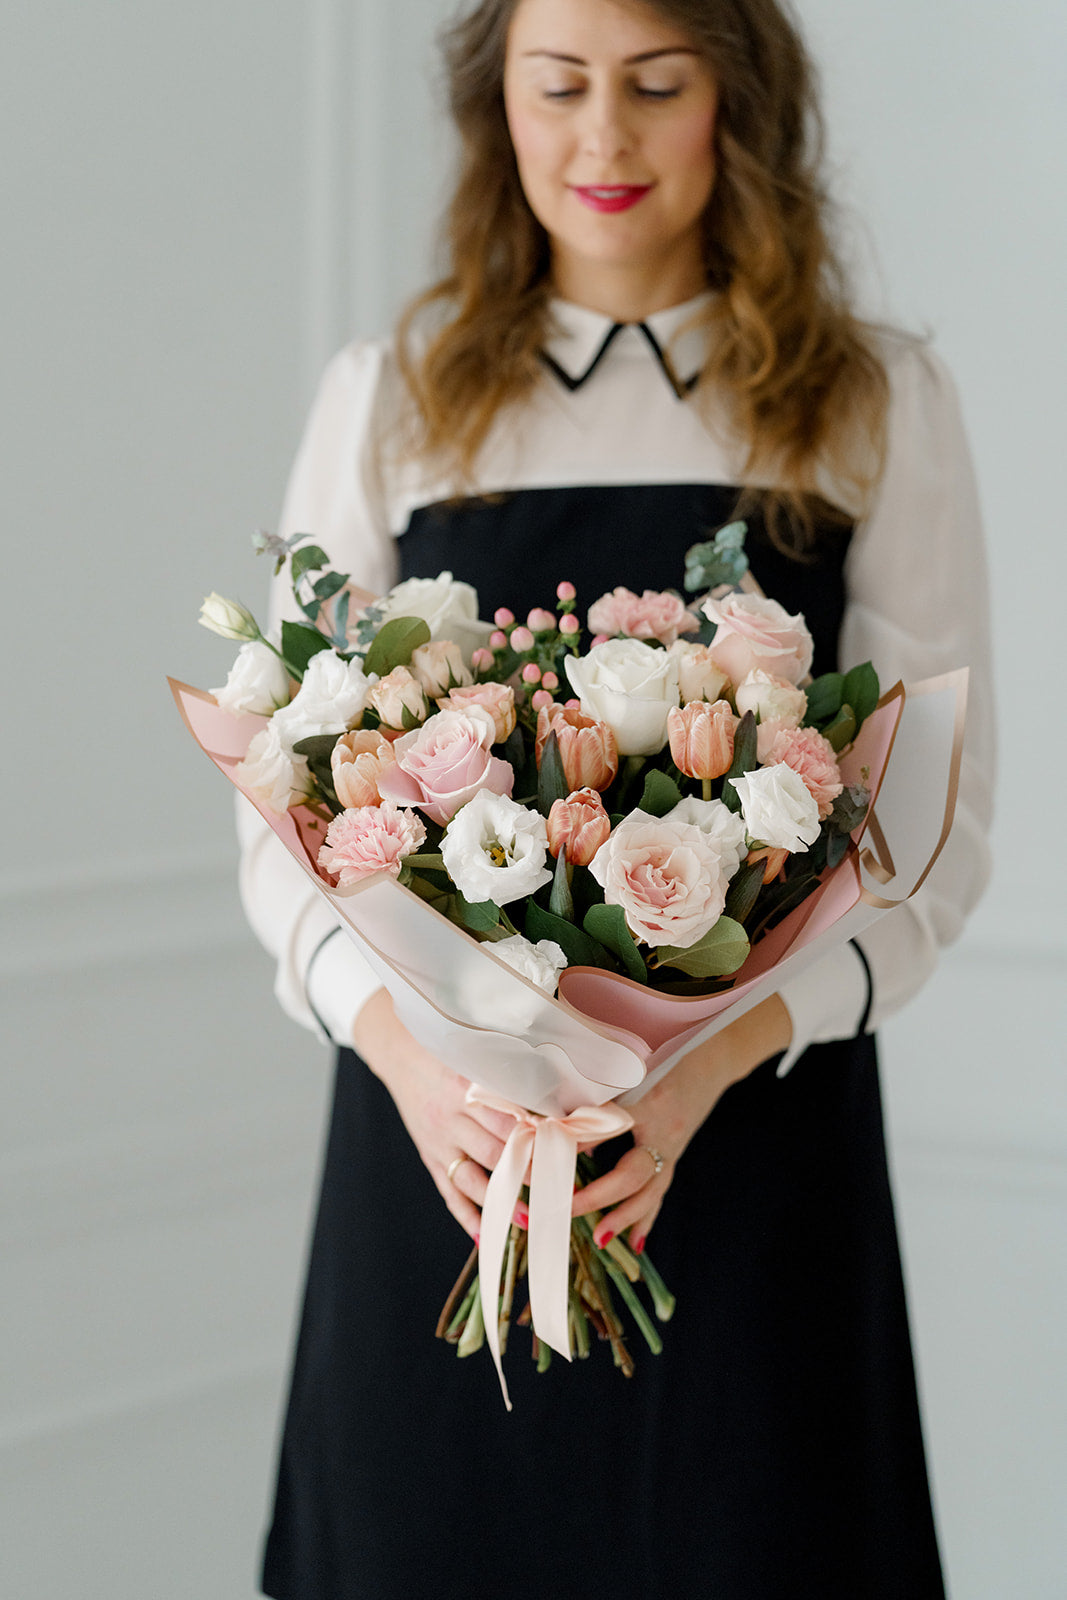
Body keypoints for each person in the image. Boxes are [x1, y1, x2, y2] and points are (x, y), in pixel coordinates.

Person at [238, 0, 994, 1595]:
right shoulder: (393, 393)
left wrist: (699, 1073)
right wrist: (410, 1068)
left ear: (737, 102)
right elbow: (280, 814)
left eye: (657, 86)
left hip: (750, 1156)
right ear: (495, 106)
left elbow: (934, 837)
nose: (604, 139)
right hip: (439, 1160)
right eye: (559, 85)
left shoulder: (873, 398)